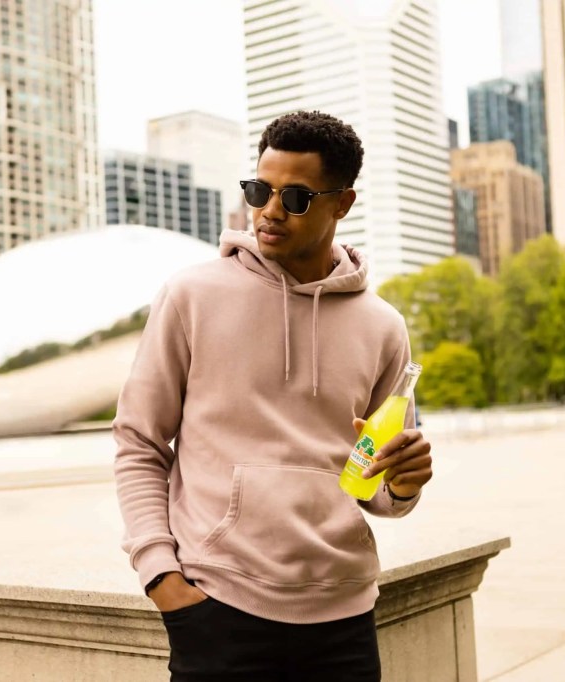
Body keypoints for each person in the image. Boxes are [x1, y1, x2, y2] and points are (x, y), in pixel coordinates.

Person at [113, 110, 434, 681]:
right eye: (260, 189)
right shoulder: (193, 295)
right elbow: (139, 440)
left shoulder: (383, 326)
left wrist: (402, 485)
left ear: (343, 203)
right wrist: (160, 576)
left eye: (298, 197)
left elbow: (374, 489)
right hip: (219, 611)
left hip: (345, 617)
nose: (271, 211)